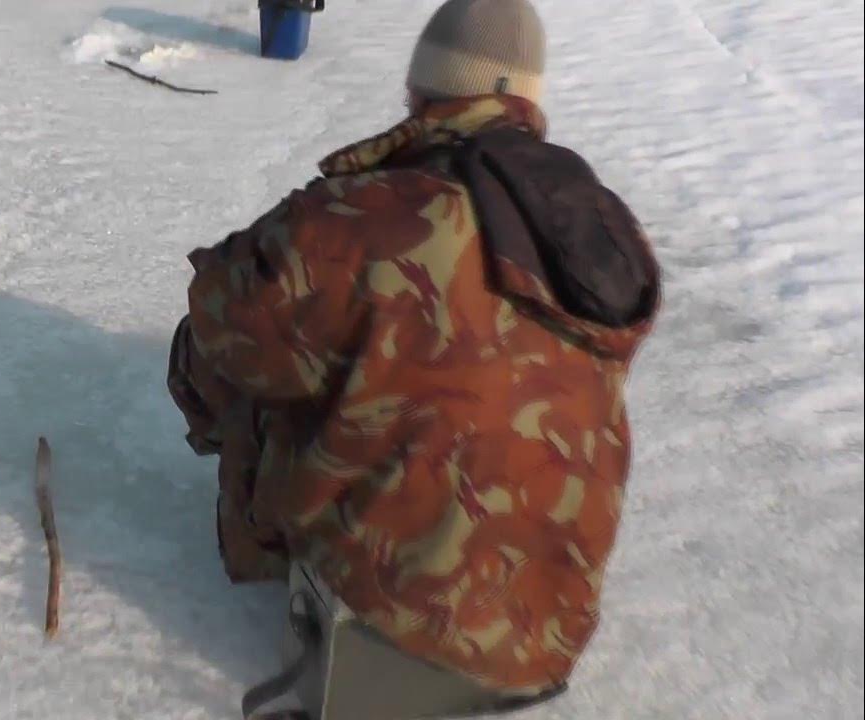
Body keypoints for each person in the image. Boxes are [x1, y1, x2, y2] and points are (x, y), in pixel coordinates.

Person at [168, 0, 661, 704]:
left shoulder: (375, 214)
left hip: (396, 630)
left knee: (230, 346)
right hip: (549, 632)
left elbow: (221, 316)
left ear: (422, 89)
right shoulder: (600, 226)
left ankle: (318, 598)